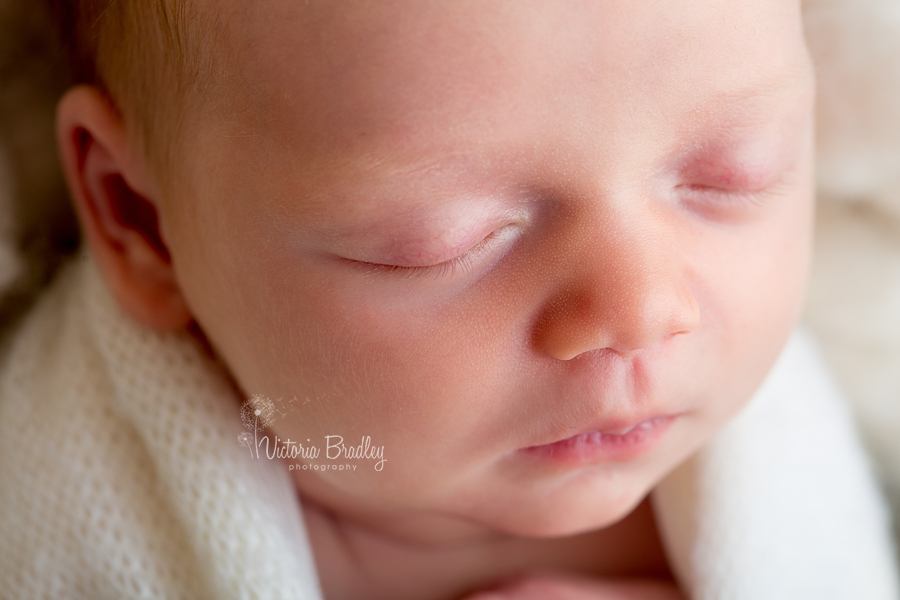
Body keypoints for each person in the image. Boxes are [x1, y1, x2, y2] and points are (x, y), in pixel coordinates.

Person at [0, 0, 897, 598]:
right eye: (444, 242)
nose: (640, 309)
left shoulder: (815, 450)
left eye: (730, 175)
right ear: (143, 223)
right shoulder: (54, 520)